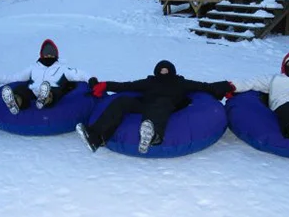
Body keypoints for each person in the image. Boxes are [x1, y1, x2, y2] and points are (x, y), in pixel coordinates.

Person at [76, 60, 233, 154]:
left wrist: (225, 86)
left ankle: (153, 136)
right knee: (122, 100)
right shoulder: (149, 82)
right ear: (156, 72)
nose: (164, 73)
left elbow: (204, 87)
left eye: (167, 71)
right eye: (161, 71)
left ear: (173, 72)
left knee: (162, 103)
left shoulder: (181, 83)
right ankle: (96, 137)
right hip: (146, 105)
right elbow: (126, 85)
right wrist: (106, 85)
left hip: (167, 107)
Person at [0, 39, 92, 115]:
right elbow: (15, 77)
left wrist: (91, 79)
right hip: (34, 92)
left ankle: (45, 99)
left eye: (51, 53)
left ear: (56, 55)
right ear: (42, 54)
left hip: (52, 92)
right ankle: (15, 101)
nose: (49, 56)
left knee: (54, 90)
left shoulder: (62, 68)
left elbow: (79, 73)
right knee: (21, 89)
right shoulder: (33, 68)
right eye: (46, 53)